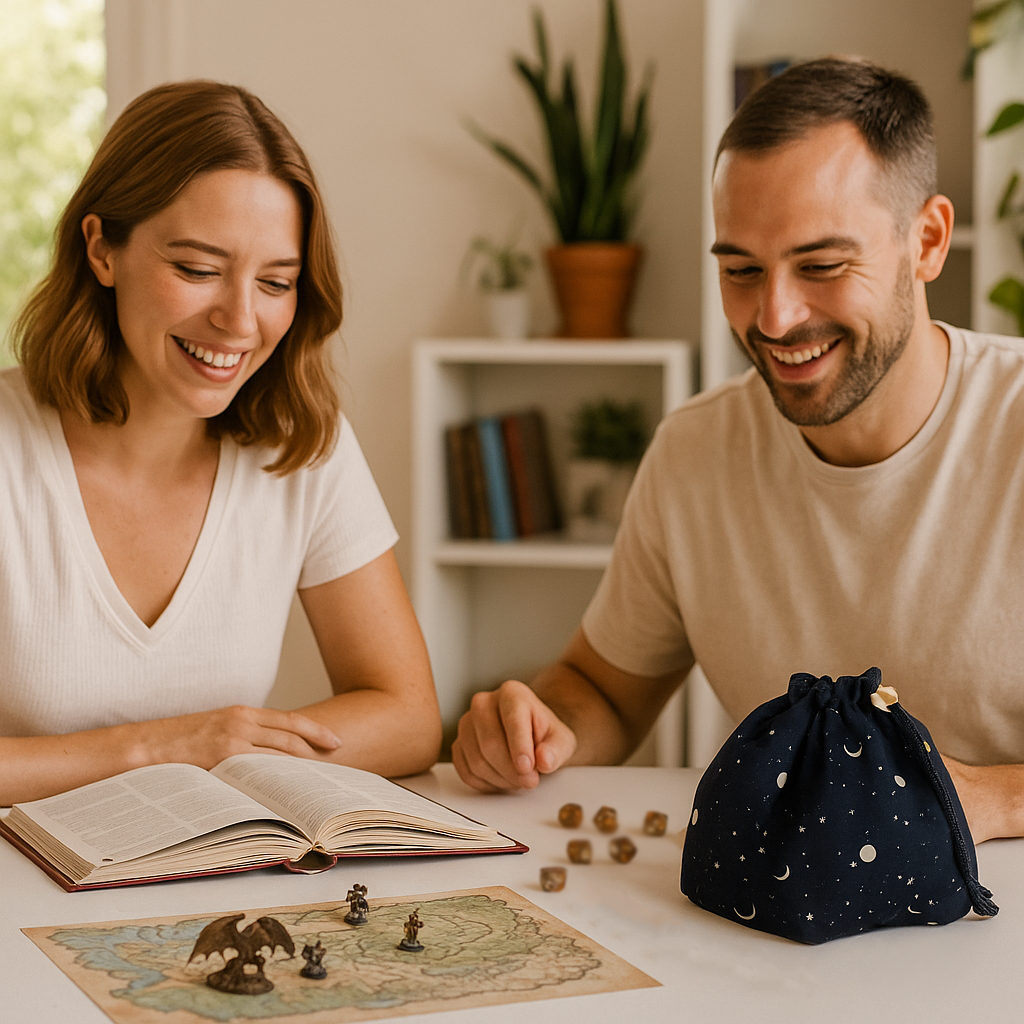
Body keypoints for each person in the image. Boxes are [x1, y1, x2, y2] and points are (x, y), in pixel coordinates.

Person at [452, 57, 1024, 844]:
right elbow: (605, 689)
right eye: (742, 270)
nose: (775, 318)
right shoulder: (694, 450)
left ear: (926, 241)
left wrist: (987, 800)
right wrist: (539, 729)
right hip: (784, 902)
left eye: (821, 266)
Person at [0, 81, 441, 805]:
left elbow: (408, 717)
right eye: (198, 270)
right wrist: (163, 748)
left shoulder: (303, 445)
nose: (239, 321)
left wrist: (224, 751)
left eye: (276, 282)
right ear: (102, 248)